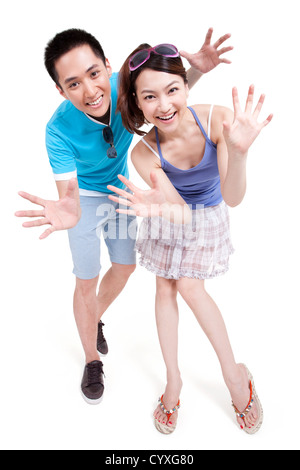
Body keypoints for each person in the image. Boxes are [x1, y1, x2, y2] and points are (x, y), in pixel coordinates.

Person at [15, 28, 233, 405]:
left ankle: (91, 318)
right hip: (81, 197)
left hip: (121, 188)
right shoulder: (57, 130)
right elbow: (67, 194)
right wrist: (69, 210)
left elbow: (162, 103)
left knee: (125, 266)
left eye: (94, 74)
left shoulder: (121, 89)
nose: (90, 91)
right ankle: (90, 357)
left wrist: (197, 72)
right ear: (61, 91)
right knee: (87, 279)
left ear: (107, 68)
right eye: (73, 84)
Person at [107, 43, 273, 433]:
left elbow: (233, 198)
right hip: (165, 211)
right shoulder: (144, 152)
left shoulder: (217, 119)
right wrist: (158, 209)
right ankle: (173, 379)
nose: (163, 105)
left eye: (171, 90)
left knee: (189, 286)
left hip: (209, 214)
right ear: (137, 102)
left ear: (186, 86)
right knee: (165, 288)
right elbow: (177, 211)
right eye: (150, 96)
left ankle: (234, 375)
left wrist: (238, 152)